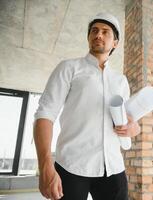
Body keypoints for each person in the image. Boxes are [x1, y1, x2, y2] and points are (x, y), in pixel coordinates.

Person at [33, 12, 140, 200]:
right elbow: (45, 114)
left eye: (105, 32)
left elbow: (128, 118)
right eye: (94, 31)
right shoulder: (69, 68)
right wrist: (45, 166)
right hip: (71, 166)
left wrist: (134, 127)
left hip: (113, 168)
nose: (98, 34)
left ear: (115, 43)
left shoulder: (121, 80)